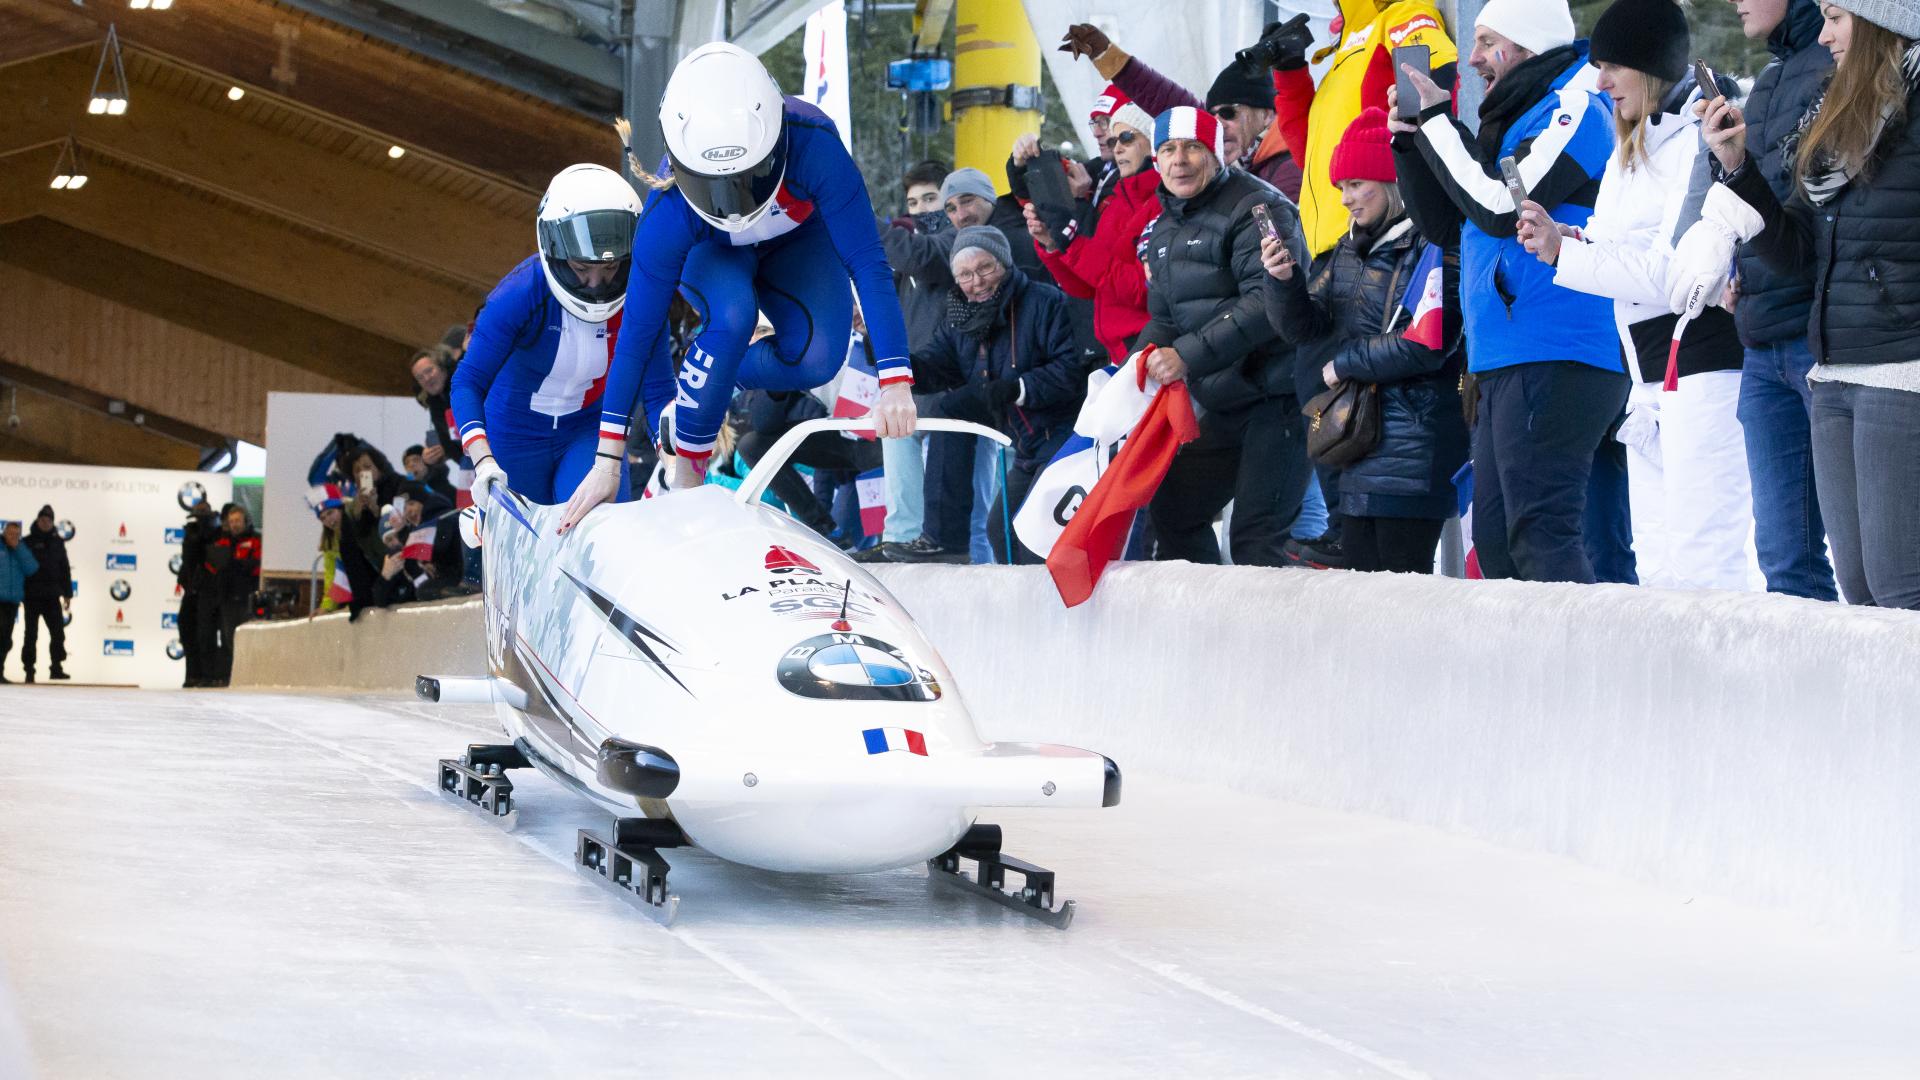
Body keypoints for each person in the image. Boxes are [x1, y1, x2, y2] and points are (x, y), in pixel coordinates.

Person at [585, 43, 918, 530]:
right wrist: (606, 460)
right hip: (714, 256)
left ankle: (712, 377)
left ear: (777, 139)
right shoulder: (668, 210)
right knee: (734, 314)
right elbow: (638, 330)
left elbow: (867, 263)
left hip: (798, 241)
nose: (734, 206)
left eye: (748, 178)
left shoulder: (817, 145)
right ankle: (686, 488)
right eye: (714, 186)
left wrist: (896, 381)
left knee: (818, 358)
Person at [1681, 0, 1920, 609]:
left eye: (1837, 18)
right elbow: (1793, 251)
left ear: (1882, 22)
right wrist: (1737, 168)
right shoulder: (1833, 116)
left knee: (1899, 586)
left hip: (1901, 370)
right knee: (1860, 589)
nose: (1824, 33)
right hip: (1833, 366)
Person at [1516, 0, 1757, 591]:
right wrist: (1574, 236)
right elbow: (1622, 244)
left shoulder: (1695, 140)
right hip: (1647, 375)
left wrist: (1564, 253)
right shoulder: (1633, 144)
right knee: (1658, 563)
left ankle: (1729, 681)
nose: (1600, 83)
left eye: (1612, 67)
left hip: (1702, 362)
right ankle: (1675, 684)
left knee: (1707, 559)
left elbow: (1671, 274)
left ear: (1650, 67)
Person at [1390, 0, 1631, 584]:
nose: (1471, 60)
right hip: (1507, 355)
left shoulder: (1576, 107)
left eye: (1487, 41)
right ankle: (1527, 675)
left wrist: (1438, 125)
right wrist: (1410, 144)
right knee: (1497, 546)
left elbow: (1503, 206)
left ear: (1526, 45)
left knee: (1540, 534)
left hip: (1560, 349)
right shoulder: (1515, 123)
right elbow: (1453, 226)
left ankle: (1577, 673)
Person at [1265, 108, 1467, 573]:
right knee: (1363, 597)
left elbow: (1430, 341)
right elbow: (1304, 328)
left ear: (1393, 180)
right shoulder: (1348, 249)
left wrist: (1346, 362)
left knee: (1400, 594)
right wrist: (1283, 282)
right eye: (1341, 187)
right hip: (1358, 447)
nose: (1346, 199)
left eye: (1357, 184)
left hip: (1415, 452)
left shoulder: (1435, 242)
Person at [1137, 107, 1312, 567]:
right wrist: (1130, 371)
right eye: (1169, 150)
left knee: (1256, 537)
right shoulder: (1163, 227)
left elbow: (1266, 304)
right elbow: (1165, 317)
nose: (1180, 161)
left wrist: (1186, 356)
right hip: (1223, 399)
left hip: (1279, 397)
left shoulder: (1260, 208)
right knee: (1173, 511)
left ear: (1216, 154)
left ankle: (1271, 638)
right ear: (1155, 161)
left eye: (1193, 148)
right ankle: (1206, 627)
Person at [1708, 0, 1838, 599]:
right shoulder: (1766, 88)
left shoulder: (1835, 68)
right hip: (1763, 345)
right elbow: (1764, 208)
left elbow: (1818, 220)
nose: (1736, 3)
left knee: (1868, 566)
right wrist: (1741, 269)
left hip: (1820, 341)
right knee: (1783, 559)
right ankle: (1805, 694)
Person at [453, 163, 643, 511]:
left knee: (595, 529)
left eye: (611, 267)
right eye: (582, 268)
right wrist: (483, 460)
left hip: (587, 430)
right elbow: (468, 380)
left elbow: (656, 379)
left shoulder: (641, 292)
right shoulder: (518, 294)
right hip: (513, 436)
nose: (595, 284)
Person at [909, 225, 1086, 563]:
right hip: (1026, 445)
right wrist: (895, 363)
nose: (976, 282)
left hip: (1063, 440)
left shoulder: (1044, 301)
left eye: (985, 268)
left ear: (1004, 263)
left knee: (1032, 538)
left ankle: (1049, 612)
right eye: (964, 275)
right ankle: (945, 539)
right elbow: (936, 366)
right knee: (1000, 531)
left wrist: (1017, 389)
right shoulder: (958, 317)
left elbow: (1070, 372)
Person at [1258, 0, 1459, 257]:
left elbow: (1445, 88)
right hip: (1328, 247)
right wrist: (1290, 72)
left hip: (1383, 239)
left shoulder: (1403, 14)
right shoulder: (1348, 46)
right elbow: (1310, 157)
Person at [1060, 25, 1305, 201]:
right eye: (1212, 115)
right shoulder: (1239, 153)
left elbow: (1276, 249)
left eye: (1229, 113)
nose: (1217, 125)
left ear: (1267, 115)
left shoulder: (1290, 166)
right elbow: (1165, 100)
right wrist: (1109, 57)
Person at [1027, 99, 1161, 365]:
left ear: (1155, 141)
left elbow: (1142, 290)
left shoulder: (1163, 202)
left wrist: (1073, 243)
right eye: (1112, 142)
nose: (1118, 148)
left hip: (1152, 350)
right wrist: (1054, 245)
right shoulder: (1117, 202)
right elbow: (1089, 288)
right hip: (1118, 353)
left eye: (1125, 137)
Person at [867, 160, 956, 561]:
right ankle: (898, 540)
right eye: (913, 201)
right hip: (911, 380)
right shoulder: (907, 253)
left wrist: (857, 217)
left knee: (956, 503)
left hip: (952, 381)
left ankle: (963, 554)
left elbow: (921, 256)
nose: (920, 209)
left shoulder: (959, 239)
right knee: (899, 461)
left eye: (930, 198)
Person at [201, 503, 260, 687]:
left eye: (238, 521)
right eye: (231, 521)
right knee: (228, 637)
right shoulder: (222, 542)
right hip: (226, 597)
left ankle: (248, 675)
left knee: (245, 637)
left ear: (245, 521)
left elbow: (257, 564)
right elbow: (210, 565)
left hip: (246, 596)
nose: (234, 524)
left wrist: (238, 564)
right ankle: (229, 675)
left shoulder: (255, 540)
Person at [20, 505, 71, 682]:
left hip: (52, 596)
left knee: (58, 633)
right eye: (43, 519)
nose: (46, 523)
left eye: (49, 520)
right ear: (37, 520)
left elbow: (64, 569)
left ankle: (56, 667)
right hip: (31, 596)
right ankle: (29, 670)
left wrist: (68, 594)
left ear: (52, 522)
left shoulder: (58, 542)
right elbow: (20, 569)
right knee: (31, 635)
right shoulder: (26, 542)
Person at [175, 499, 217, 687]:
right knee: (186, 629)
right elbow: (188, 559)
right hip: (191, 588)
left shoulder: (215, 532)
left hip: (207, 589)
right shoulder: (190, 531)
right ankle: (192, 674)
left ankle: (206, 675)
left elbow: (208, 557)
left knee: (204, 634)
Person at [409, 345, 464, 470]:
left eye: (429, 371)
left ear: (442, 368)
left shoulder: (463, 386)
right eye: (420, 377)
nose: (427, 379)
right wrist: (430, 459)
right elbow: (448, 444)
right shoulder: (435, 405)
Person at [0, 520, 37, 683]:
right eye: (10, 533)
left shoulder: (21, 549)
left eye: (16, 534)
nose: (13, 537)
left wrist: (18, 548)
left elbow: (32, 568)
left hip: (13, 601)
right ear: (4, 532)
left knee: (6, 639)